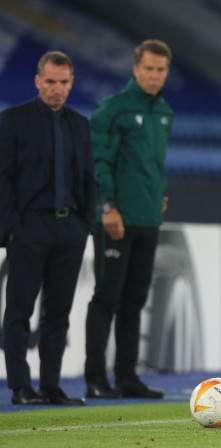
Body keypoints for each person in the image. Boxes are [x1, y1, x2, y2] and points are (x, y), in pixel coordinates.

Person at [0, 51, 96, 405]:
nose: (57, 89)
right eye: (51, 81)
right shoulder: (12, 121)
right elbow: (2, 178)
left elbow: (87, 177)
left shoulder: (80, 123)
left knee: (58, 313)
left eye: (64, 82)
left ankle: (51, 385)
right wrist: (11, 228)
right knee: (20, 310)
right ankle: (20, 386)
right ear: (38, 81)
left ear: (71, 83)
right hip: (29, 228)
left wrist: (84, 224)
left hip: (69, 229)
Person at [83, 39, 173, 399]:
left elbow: (153, 163)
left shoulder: (164, 111)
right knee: (106, 297)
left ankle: (125, 377)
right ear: (135, 69)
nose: (154, 76)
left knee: (135, 299)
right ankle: (94, 377)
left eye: (161, 70)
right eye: (148, 69)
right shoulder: (112, 109)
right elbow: (98, 161)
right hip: (115, 219)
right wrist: (107, 207)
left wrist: (158, 195)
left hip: (148, 218)